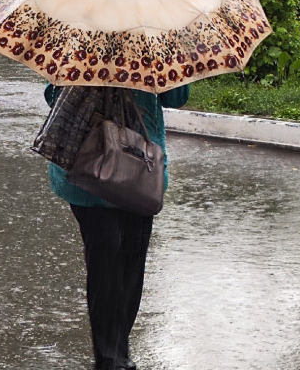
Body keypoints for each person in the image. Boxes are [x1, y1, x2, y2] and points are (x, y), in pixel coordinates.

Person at [43, 84, 190, 370]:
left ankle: (117, 350)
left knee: (129, 262)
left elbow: (175, 96)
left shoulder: (146, 57)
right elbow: (54, 95)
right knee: (108, 262)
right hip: (93, 172)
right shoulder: (85, 54)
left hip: (138, 173)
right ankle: (111, 357)